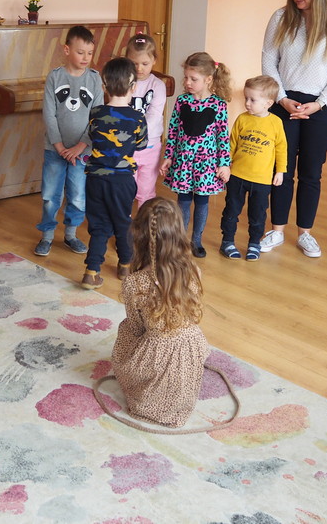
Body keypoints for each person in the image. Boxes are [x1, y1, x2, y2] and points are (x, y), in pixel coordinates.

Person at [260, 0, 327, 258]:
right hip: (283, 103)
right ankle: (276, 230)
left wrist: (320, 103)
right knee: (281, 170)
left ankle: (305, 234)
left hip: (321, 107)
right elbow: (268, 61)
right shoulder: (281, 17)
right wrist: (281, 98)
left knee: (311, 173)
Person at [110, 196, 209, 428]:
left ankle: (152, 387)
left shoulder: (134, 283)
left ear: (139, 235)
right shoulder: (194, 271)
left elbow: (135, 328)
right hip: (191, 350)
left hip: (155, 358)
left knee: (127, 331)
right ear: (178, 233)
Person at [34, 25, 103, 257]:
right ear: (66, 50)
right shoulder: (55, 77)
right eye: (80, 52)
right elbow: (49, 114)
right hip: (55, 149)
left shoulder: (94, 79)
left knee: (77, 195)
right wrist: (60, 146)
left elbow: (97, 117)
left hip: (82, 152)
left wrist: (80, 146)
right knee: (50, 195)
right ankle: (47, 236)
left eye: (90, 53)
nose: (86, 58)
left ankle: (71, 235)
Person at [81, 57, 147, 289]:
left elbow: (92, 136)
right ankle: (125, 266)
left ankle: (91, 272)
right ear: (133, 87)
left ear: (104, 86)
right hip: (122, 181)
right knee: (122, 222)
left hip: (95, 179)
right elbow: (141, 145)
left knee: (99, 225)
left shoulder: (96, 113)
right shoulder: (138, 118)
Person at [159, 52, 231, 258]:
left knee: (201, 201)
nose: (187, 83)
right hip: (183, 162)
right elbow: (173, 131)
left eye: (193, 79)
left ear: (208, 79)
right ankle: (181, 239)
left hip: (206, 165)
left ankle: (196, 240)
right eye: (186, 78)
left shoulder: (218, 105)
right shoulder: (181, 101)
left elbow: (222, 137)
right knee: (182, 200)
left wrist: (224, 163)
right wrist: (168, 156)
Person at [220, 75, 287, 261]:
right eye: (246, 98)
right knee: (231, 211)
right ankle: (227, 242)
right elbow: (231, 144)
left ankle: (254, 244)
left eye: (252, 100)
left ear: (268, 103)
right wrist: (225, 164)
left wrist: (280, 171)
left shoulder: (276, 123)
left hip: (262, 180)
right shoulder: (242, 119)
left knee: (257, 215)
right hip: (237, 176)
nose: (247, 103)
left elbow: (281, 149)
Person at [125, 34, 167, 207]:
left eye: (145, 63)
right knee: (126, 187)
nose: (139, 68)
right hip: (126, 145)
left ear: (154, 60)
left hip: (150, 145)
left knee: (146, 190)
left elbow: (154, 114)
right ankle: (124, 220)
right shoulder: (124, 82)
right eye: (134, 63)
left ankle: (145, 220)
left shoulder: (158, 85)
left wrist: (136, 132)